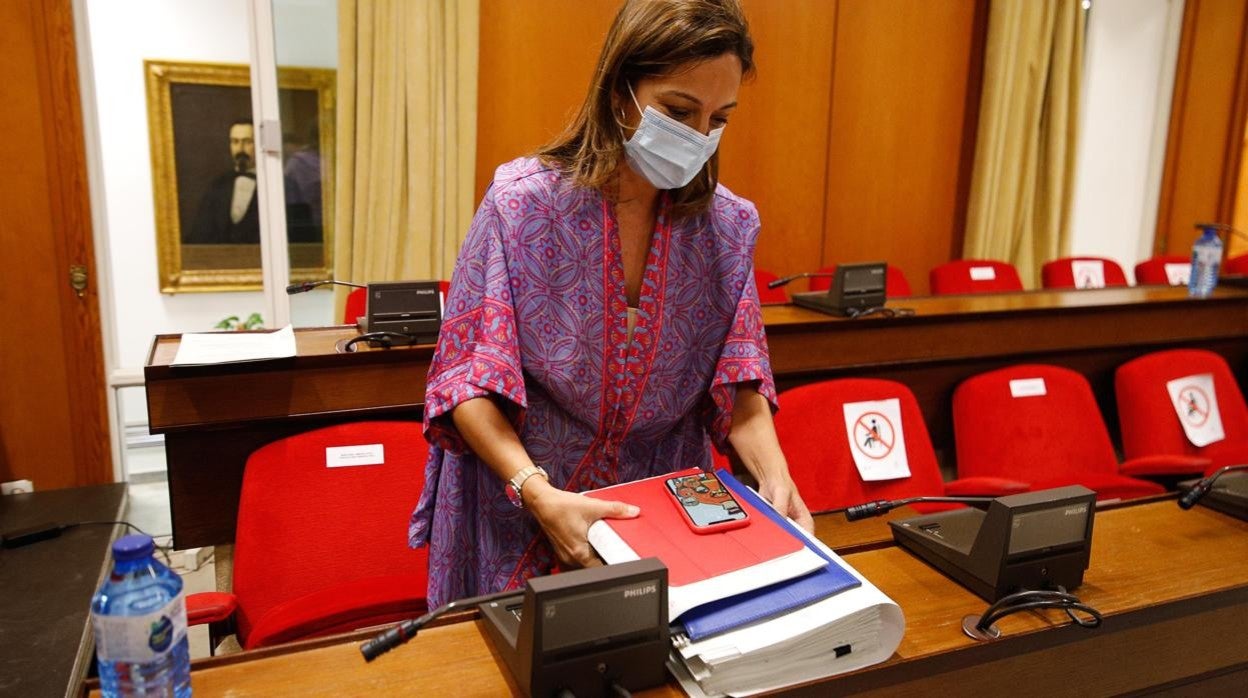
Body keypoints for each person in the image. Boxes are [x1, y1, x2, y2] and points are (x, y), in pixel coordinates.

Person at [409, 0, 813, 607]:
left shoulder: (727, 229)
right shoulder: (523, 206)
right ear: (621, 92)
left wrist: (775, 476)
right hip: (521, 504)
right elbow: (468, 381)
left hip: (655, 518)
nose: (698, 136)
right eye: (678, 111)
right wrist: (535, 491)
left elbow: (740, 384)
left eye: (719, 118)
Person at [186, 119, 259, 244]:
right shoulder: (218, 186)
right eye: (235, 142)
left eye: (247, 142)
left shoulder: (272, 185)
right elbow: (199, 234)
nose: (240, 148)